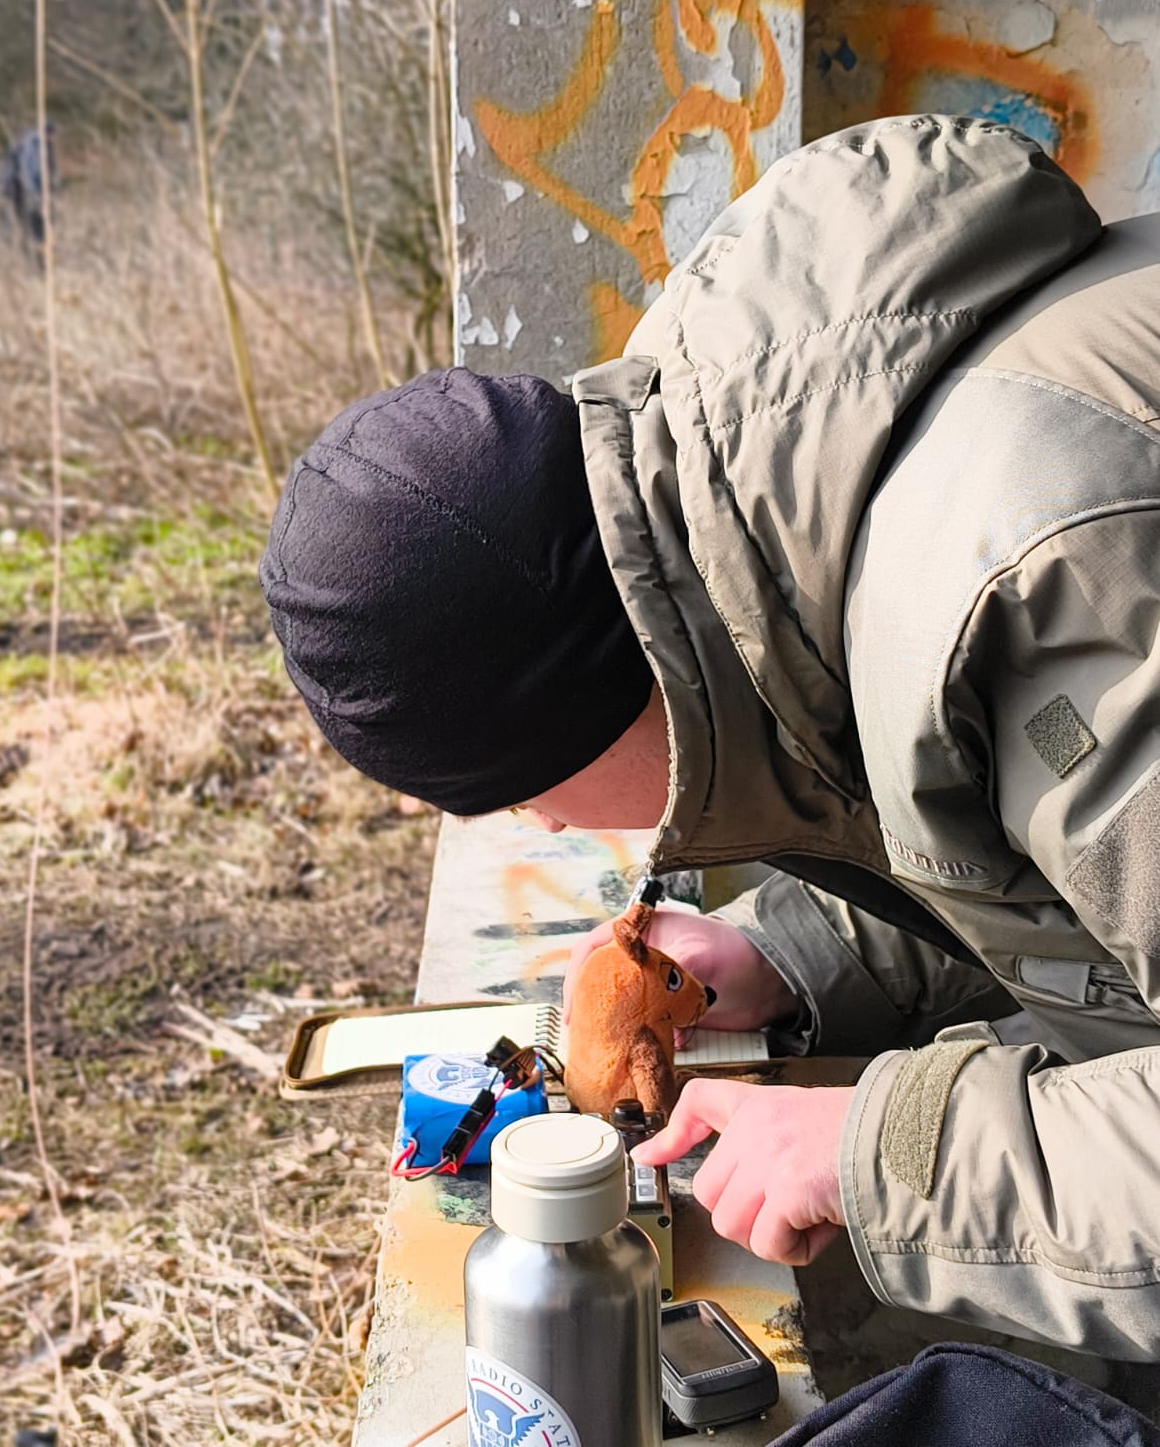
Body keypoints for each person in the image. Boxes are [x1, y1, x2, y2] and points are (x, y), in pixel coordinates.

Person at [260, 115, 1160, 1361]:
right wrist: (788, 949)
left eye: (518, 791)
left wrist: (879, 1154)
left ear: (570, 701)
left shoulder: (1045, 597)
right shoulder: (794, 486)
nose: (546, 823)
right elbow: (1062, 872)